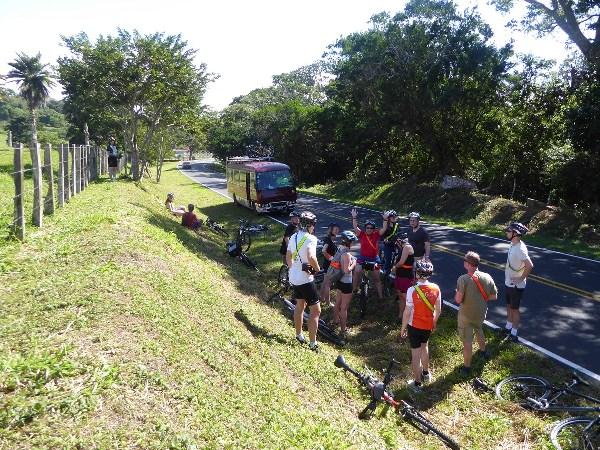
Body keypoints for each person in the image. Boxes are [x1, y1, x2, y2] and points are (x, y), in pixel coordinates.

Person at [400, 260, 441, 392]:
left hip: (414, 326)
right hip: (428, 325)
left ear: (417, 274)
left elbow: (407, 312)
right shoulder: (436, 288)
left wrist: (403, 328)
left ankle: (417, 383)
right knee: (425, 347)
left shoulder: (412, 290)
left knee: (415, 354)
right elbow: (438, 310)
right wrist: (434, 322)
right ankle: (426, 373)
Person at [455, 251, 498, 376]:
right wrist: (480, 299)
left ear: (468, 264)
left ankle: (467, 367)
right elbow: (494, 296)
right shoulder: (487, 277)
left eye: (465, 261)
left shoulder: (463, 279)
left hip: (465, 315)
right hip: (481, 312)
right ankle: (483, 351)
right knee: (479, 329)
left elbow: (458, 300)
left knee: (467, 342)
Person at [286, 211, 321, 352]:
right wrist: (317, 269)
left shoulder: (294, 236)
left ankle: (299, 335)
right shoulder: (311, 238)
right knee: (316, 310)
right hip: (305, 279)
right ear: (311, 225)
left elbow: (289, 257)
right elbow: (311, 257)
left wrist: (293, 268)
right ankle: (313, 344)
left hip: (293, 277)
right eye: (313, 224)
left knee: (300, 305)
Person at [504, 222, 534, 342]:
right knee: (508, 306)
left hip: (516, 285)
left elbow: (530, 265)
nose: (506, 232)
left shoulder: (520, 249)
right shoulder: (513, 244)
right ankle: (508, 327)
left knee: (514, 309)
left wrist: (521, 278)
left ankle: (514, 333)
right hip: (508, 282)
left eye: (509, 231)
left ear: (515, 234)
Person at [351, 208, 389, 300]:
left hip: (374, 259)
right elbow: (355, 227)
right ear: (365, 228)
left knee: (377, 278)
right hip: (363, 258)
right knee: (357, 271)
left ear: (374, 229)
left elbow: (384, 228)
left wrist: (385, 219)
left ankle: (380, 297)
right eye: (367, 228)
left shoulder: (376, 234)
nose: (369, 229)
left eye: (371, 228)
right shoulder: (362, 234)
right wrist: (354, 217)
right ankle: (354, 290)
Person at [331, 231, 357, 344]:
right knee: (344, 307)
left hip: (339, 280)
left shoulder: (340, 249)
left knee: (338, 302)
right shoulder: (346, 254)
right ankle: (343, 329)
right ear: (349, 242)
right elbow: (347, 270)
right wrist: (354, 263)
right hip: (346, 282)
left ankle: (335, 321)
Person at [391, 232, 414, 321]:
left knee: (406, 296)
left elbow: (401, 262)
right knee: (400, 295)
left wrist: (394, 267)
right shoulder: (402, 248)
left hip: (406, 276)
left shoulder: (407, 247)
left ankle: (410, 316)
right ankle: (401, 315)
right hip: (400, 275)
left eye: (397, 242)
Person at [319, 223, 340, 305]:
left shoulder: (331, 239)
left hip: (329, 264)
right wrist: (331, 258)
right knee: (328, 284)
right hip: (329, 265)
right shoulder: (327, 239)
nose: (337, 231)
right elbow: (324, 250)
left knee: (325, 282)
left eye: (338, 229)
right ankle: (328, 302)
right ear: (331, 230)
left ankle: (321, 298)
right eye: (335, 229)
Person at [380, 210, 400, 274]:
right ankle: (385, 272)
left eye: (395, 217)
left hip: (394, 244)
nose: (394, 218)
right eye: (392, 217)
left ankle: (393, 270)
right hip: (387, 244)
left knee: (398, 258)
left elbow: (398, 234)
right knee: (387, 259)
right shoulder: (386, 225)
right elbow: (382, 233)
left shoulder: (396, 225)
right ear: (388, 218)